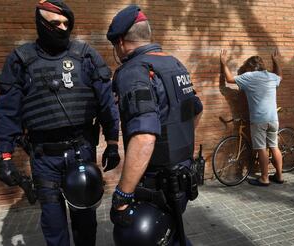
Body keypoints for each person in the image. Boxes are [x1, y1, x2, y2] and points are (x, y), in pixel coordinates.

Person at [0, 1, 120, 245]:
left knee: (85, 223)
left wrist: (113, 142)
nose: (62, 28)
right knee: (53, 224)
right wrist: (5, 156)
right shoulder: (21, 60)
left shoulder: (85, 56)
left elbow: (106, 103)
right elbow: (8, 112)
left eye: (66, 23)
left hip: (81, 151)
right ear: (40, 24)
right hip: (44, 158)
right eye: (55, 23)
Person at [106, 5, 203, 246]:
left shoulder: (133, 71)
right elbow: (196, 111)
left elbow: (144, 136)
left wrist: (123, 194)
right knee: (174, 235)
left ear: (120, 42)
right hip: (182, 178)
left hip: (154, 186)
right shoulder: (174, 64)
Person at [220, 49, 284, 186]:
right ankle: (279, 176)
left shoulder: (249, 76)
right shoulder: (271, 76)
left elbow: (229, 79)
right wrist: (276, 61)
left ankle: (265, 178)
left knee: (261, 148)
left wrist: (223, 62)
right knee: (274, 146)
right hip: (273, 118)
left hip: (259, 120)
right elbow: (280, 75)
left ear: (250, 67)